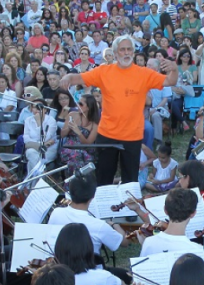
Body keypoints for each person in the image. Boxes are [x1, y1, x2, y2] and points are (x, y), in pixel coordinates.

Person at [59, 35, 178, 185]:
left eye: (129, 49)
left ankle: (128, 206)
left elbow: (170, 81)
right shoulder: (103, 71)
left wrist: (174, 69)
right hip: (107, 134)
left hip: (132, 136)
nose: (126, 53)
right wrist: (68, 76)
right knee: (104, 178)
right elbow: (78, 78)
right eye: (122, 50)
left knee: (130, 179)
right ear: (115, 53)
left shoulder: (144, 73)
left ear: (133, 53)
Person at [46, 171, 127, 253]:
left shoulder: (56, 213)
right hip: (89, 265)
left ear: (70, 192)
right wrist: (115, 225)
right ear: (93, 195)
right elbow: (124, 242)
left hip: (60, 263)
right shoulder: (100, 226)